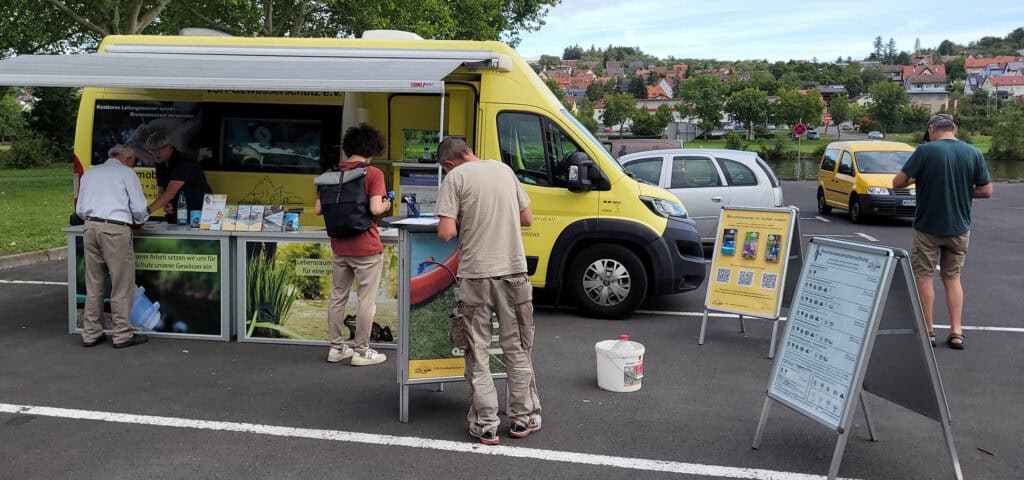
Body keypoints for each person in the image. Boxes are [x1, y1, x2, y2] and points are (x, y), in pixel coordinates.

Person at [435, 137, 541, 445]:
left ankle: (486, 424)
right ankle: (522, 418)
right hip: (513, 273)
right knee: (517, 348)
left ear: (448, 164)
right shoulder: (504, 170)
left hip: (476, 277)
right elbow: (527, 218)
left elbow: (446, 232)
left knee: (478, 352)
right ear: (470, 152)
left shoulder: (455, 178)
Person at [893, 114, 992, 350]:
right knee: (953, 278)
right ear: (954, 130)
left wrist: (916, 181)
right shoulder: (973, 153)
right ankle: (956, 332)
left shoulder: (925, 151)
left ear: (931, 130)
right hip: (959, 227)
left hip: (927, 227)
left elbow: (898, 182)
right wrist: (964, 191)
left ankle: (928, 331)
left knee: (925, 277)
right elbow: (986, 190)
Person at [315, 124, 391, 366]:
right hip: (366, 246)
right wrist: (387, 203)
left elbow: (318, 209)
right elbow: (375, 209)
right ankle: (361, 351)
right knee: (366, 300)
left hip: (340, 245)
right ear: (373, 149)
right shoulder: (373, 173)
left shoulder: (329, 173)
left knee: (337, 297)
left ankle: (336, 348)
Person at [75, 145, 151, 348]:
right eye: (133, 161)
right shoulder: (126, 173)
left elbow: (80, 209)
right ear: (127, 158)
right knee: (121, 285)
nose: (133, 165)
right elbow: (140, 208)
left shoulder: (90, 173)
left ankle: (91, 333)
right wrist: (141, 219)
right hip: (116, 231)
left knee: (94, 284)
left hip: (90, 228)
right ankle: (122, 335)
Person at [144, 133, 213, 222]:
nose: (155, 154)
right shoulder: (160, 163)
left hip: (198, 211)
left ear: (170, 147)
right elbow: (161, 190)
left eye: (159, 150)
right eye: (151, 150)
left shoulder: (184, 161)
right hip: (179, 212)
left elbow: (170, 193)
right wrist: (165, 204)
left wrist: (145, 213)